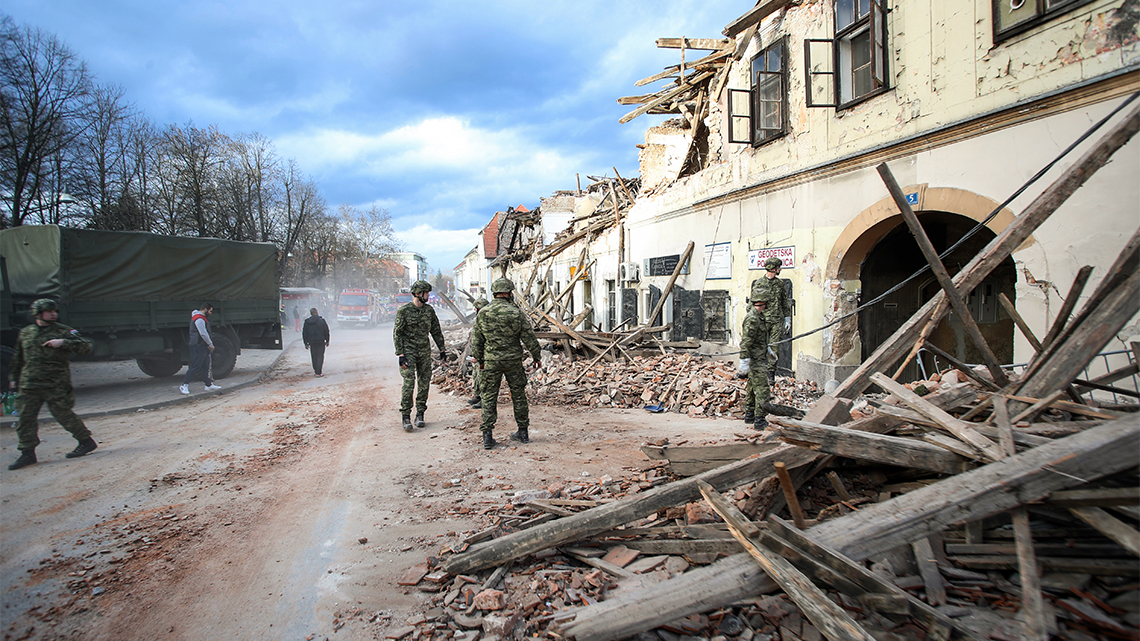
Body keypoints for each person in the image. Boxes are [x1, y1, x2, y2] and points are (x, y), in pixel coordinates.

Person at [7, 299, 98, 470]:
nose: (53, 314)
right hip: (29, 383)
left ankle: (86, 441)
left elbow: (87, 346)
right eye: (49, 311)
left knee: (63, 414)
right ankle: (27, 453)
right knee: (25, 417)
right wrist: (13, 377)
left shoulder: (63, 331)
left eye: (54, 311)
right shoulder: (26, 333)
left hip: (55, 383)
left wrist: (64, 342)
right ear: (38, 314)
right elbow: (18, 357)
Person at [471, 278, 542, 450]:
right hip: (513, 361)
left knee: (488, 396)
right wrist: (537, 356)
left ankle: (487, 436)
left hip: (491, 361)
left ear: (494, 293)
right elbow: (528, 336)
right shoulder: (516, 312)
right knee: (518, 395)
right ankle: (523, 432)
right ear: (509, 293)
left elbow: (476, 341)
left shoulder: (483, 312)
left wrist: (479, 360)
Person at [393, 280, 448, 431]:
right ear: (418, 294)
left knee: (424, 384)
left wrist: (442, 350)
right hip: (408, 353)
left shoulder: (429, 311)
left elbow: (436, 331)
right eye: (426, 293)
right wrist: (400, 354)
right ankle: (405, 416)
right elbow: (397, 333)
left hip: (424, 352)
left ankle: (420, 414)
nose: (429, 296)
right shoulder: (404, 311)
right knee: (409, 384)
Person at [750, 257, 790, 381]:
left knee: (774, 348)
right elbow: (753, 303)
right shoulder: (759, 283)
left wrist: (787, 318)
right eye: (779, 267)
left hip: (777, 321)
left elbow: (784, 302)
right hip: (763, 320)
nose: (780, 269)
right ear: (773, 268)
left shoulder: (779, 284)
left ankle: (771, 374)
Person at [740, 290, 774, 428]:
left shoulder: (759, 317)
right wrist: (744, 362)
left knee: (752, 388)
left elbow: (759, 339)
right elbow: (746, 342)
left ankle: (750, 415)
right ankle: (760, 420)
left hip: (758, 356)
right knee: (763, 390)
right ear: (763, 302)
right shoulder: (752, 318)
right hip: (755, 360)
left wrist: (768, 349)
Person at [180, 304, 221, 395]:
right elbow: (203, 333)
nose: (210, 313)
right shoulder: (199, 319)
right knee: (196, 366)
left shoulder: (200, 318)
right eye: (210, 311)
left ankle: (208, 384)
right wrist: (210, 344)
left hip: (201, 345)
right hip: (198, 345)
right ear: (205, 309)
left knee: (205, 366)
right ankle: (184, 384)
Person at [465, 297, 490, 409]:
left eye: (476, 308)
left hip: (485, 355)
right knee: (476, 375)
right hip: (479, 354)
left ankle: (484, 399)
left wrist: (480, 356)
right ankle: (478, 396)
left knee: (484, 377)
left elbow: (484, 341)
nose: (474, 310)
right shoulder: (480, 319)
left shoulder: (487, 321)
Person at [302, 307, 331, 377]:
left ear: (311, 313)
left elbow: (304, 333)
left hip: (312, 342)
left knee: (314, 356)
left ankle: (316, 370)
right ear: (317, 312)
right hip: (320, 341)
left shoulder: (307, 322)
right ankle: (318, 372)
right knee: (320, 356)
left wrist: (306, 343)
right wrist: (327, 340)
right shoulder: (322, 321)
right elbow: (326, 331)